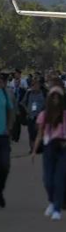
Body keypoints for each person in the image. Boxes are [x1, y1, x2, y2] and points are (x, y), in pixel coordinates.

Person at [30, 87, 66, 221]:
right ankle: (51, 201)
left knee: (59, 179)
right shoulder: (44, 115)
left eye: (58, 97)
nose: (55, 100)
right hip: (49, 147)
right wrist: (34, 151)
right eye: (53, 97)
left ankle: (57, 209)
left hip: (62, 147)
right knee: (48, 180)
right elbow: (39, 134)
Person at [0, 74, 17, 208]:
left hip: (4, 136)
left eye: (3, 80)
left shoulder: (6, 93)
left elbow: (11, 111)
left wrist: (10, 128)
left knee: (5, 166)